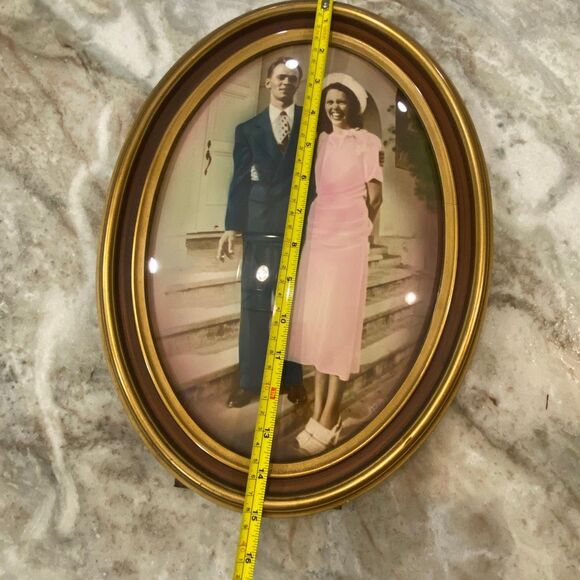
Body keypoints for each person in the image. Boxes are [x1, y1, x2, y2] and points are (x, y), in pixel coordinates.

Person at [286, 73, 383, 453]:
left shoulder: (367, 141)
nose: (335, 108)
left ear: (353, 106)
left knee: (340, 323)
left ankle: (332, 415)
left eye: (341, 102)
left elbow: (374, 196)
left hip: (349, 235)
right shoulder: (322, 141)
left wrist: (358, 226)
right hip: (321, 229)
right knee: (321, 321)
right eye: (329, 102)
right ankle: (318, 411)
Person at [217, 57, 311, 408]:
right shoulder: (248, 129)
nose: (286, 83)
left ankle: (292, 379)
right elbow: (240, 179)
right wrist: (232, 226)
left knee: (293, 304)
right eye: (281, 77)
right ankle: (250, 382)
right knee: (256, 302)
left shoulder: (311, 124)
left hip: (299, 227)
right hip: (259, 227)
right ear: (268, 82)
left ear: (299, 85)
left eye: (292, 79)